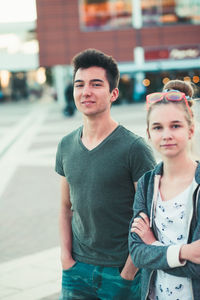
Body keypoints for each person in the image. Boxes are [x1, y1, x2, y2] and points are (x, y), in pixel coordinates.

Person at [55, 48, 156, 300]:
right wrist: (66, 259)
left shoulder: (135, 148)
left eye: (96, 84)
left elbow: (150, 214)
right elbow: (65, 207)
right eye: (79, 84)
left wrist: (129, 271)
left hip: (121, 271)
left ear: (113, 93)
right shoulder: (66, 145)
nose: (85, 91)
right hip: (76, 269)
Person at [129, 79, 200, 300]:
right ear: (149, 134)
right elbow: (137, 253)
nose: (166, 134)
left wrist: (153, 245)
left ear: (190, 130)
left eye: (175, 126)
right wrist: (182, 252)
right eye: (158, 127)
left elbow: (198, 267)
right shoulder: (147, 183)